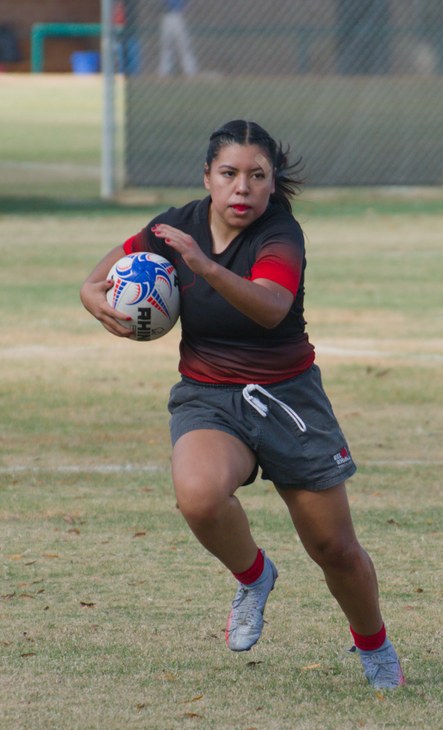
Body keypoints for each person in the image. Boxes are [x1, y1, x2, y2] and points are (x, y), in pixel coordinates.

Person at [80, 120, 404, 691]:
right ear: (207, 176)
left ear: (272, 183)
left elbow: (272, 306)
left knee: (334, 548)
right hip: (208, 396)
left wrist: (204, 267)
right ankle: (254, 577)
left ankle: (373, 644)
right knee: (200, 499)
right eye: (229, 174)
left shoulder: (280, 234)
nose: (242, 188)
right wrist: (90, 293)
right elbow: (108, 267)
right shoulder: (178, 224)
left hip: (287, 400)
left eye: (257, 176)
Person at [158, 0, 198, 77]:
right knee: (166, 46)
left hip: (177, 16)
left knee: (184, 46)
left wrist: (185, 8)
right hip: (167, 17)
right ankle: (165, 71)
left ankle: (190, 71)